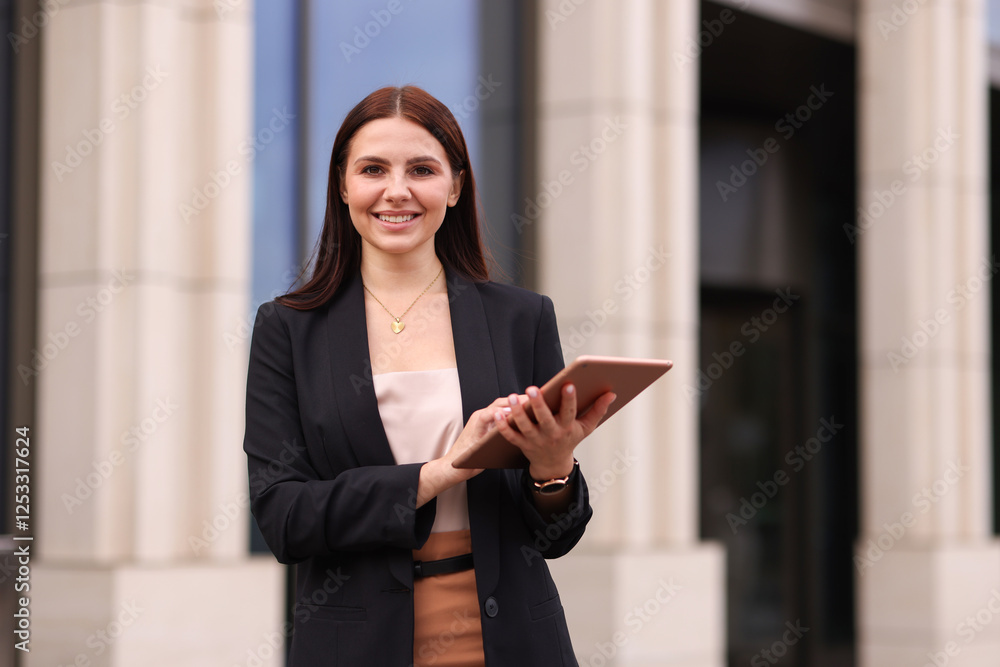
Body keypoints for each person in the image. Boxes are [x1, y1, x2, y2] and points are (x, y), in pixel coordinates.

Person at [243, 85, 615, 666]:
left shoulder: (521, 318)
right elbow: (284, 519)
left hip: (513, 641)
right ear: (343, 185)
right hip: (357, 645)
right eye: (372, 169)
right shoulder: (288, 330)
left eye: (422, 169)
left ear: (455, 186)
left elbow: (556, 538)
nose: (397, 190)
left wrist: (553, 471)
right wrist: (440, 473)